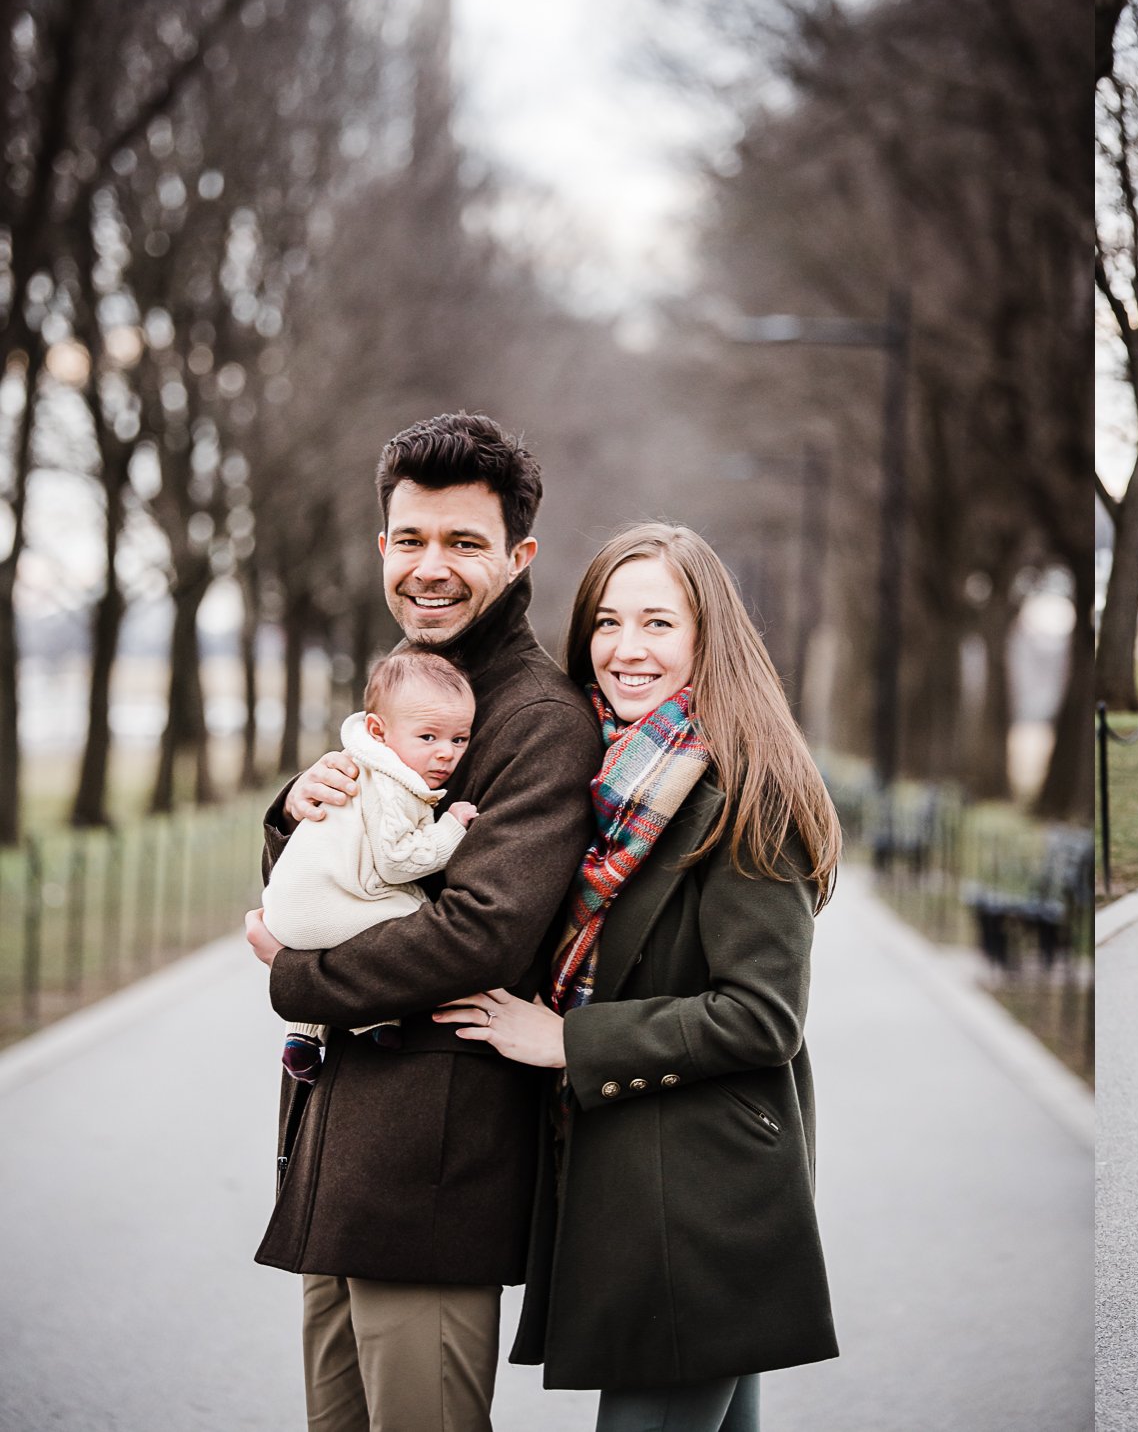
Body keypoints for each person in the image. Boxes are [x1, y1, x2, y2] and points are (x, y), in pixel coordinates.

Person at [247, 412, 601, 1432]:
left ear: (518, 556)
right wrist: (292, 809)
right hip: (340, 1156)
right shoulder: (410, 694)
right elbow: (341, 874)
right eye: (410, 540)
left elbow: (478, 934)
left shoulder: (537, 719)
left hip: (433, 1171)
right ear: (381, 549)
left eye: (462, 543)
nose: (429, 568)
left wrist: (290, 977)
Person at [446, 521, 841, 1431]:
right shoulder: (609, 782)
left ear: (708, 637)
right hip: (641, 1185)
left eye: (659, 624)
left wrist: (568, 1040)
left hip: (699, 1203)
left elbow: (761, 1018)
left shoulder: (744, 794)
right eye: (609, 622)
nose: (627, 650)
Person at [259, 646, 479, 1087]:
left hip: (289, 911)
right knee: (414, 920)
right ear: (379, 731)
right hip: (322, 910)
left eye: (459, 739)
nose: (446, 754)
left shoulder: (360, 763)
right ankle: (377, 1017)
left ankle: (301, 1036)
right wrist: (452, 828)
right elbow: (398, 862)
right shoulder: (393, 784)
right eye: (428, 737)